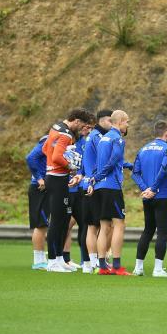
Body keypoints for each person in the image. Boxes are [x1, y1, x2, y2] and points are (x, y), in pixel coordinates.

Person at [42, 108, 93, 273]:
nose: (82, 129)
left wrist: (55, 163)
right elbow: (57, 157)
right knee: (57, 220)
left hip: (54, 176)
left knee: (62, 219)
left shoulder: (56, 127)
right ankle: (51, 262)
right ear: (76, 121)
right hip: (57, 178)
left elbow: (45, 149)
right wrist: (70, 166)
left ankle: (58, 259)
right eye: (83, 125)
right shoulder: (66, 134)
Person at [132, 120, 167, 278]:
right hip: (163, 196)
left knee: (147, 230)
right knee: (162, 233)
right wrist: (153, 189)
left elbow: (135, 173)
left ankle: (138, 267)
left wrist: (144, 189)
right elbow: (165, 169)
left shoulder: (143, 149)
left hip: (148, 197)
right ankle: (158, 268)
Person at [88, 110, 131, 276]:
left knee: (104, 226)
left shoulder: (102, 139)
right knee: (119, 224)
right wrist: (99, 176)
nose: (127, 125)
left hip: (99, 187)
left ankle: (102, 267)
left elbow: (101, 162)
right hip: (111, 186)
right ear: (119, 121)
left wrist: (95, 178)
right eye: (127, 122)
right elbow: (113, 161)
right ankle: (117, 266)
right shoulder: (117, 138)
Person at [81, 109, 113, 272]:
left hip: (92, 182)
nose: (111, 123)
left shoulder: (95, 136)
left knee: (98, 225)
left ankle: (94, 261)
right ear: (100, 121)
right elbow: (104, 161)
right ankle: (93, 261)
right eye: (109, 120)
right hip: (94, 183)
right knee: (95, 225)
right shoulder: (97, 137)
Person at [65, 122, 93, 272]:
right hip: (72, 189)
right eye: (85, 127)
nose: (87, 130)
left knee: (84, 224)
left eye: (90, 127)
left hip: (81, 188)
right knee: (66, 224)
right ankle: (60, 258)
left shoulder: (88, 141)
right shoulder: (71, 142)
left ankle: (84, 260)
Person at [26, 132, 49, 270]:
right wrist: (39, 178)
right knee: (40, 224)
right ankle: (38, 260)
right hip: (39, 187)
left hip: (46, 187)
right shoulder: (48, 140)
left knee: (43, 224)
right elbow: (30, 158)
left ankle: (41, 258)